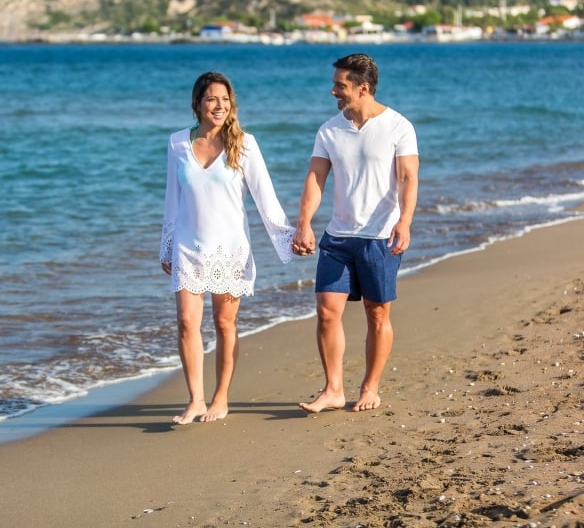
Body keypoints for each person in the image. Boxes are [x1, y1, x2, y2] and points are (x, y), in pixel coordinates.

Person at [160, 71, 294, 424]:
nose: (219, 106)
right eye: (211, 99)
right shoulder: (177, 143)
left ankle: (221, 398)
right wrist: (167, 245)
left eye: (224, 100)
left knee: (224, 323)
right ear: (197, 104)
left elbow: (266, 199)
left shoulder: (244, 144)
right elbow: (172, 199)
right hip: (188, 246)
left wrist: (289, 239)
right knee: (187, 323)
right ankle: (195, 400)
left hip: (230, 249)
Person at [291, 53, 419, 413]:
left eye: (340, 85)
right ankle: (333, 389)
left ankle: (370, 387)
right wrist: (304, 223)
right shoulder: (329, 130)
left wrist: (404, 221)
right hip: (338, 237)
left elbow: (408, 178)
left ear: (363, 88)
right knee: (327, 310)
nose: (333, 91)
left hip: (380, 237)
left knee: (376, 313)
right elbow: (315, 178)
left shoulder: (398, 127)